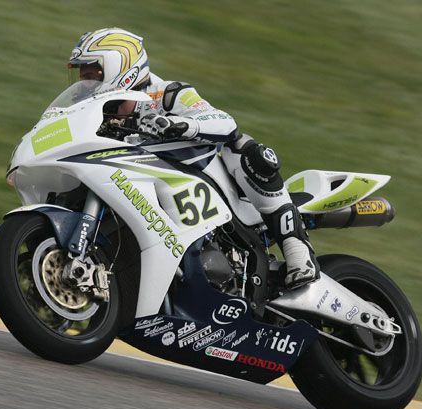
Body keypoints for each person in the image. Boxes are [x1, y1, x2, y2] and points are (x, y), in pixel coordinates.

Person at [67, 28, 318, 288]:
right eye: (81, 77)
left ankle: (298, 251)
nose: (84, 85)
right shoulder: (96, 114)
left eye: (91, 76)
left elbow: (225, 122)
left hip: (201, 182)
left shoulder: (167, 93)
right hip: (141, 188)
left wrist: (182, 125)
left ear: (122, 69)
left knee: (245, 149)